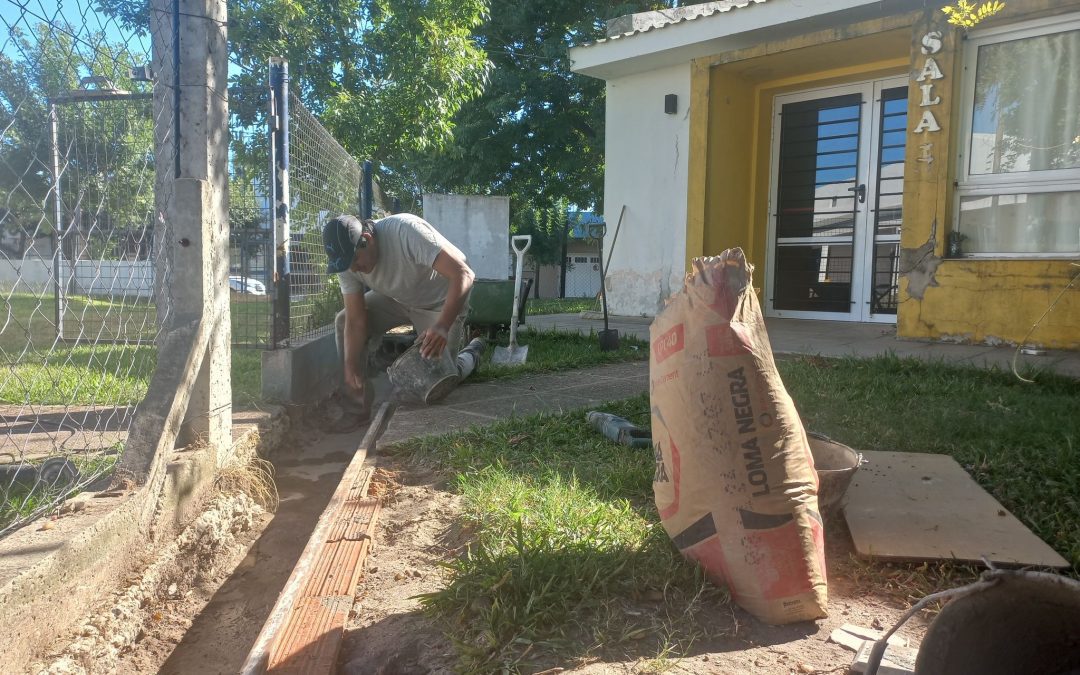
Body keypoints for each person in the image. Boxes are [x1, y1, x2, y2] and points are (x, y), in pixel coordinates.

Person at [323, 213, 484, 428]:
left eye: (355, 261)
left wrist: (442, 326)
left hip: (440, 303)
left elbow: (464, 274)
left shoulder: (405, 231)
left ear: (367, 239)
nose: (353, 269)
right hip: (398, 300)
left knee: (437, 382)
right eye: (346, 266)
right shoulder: (345, 264)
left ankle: (471, 354)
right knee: (344, 321)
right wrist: (350, 365)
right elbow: (355, 321)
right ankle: (357, 406)